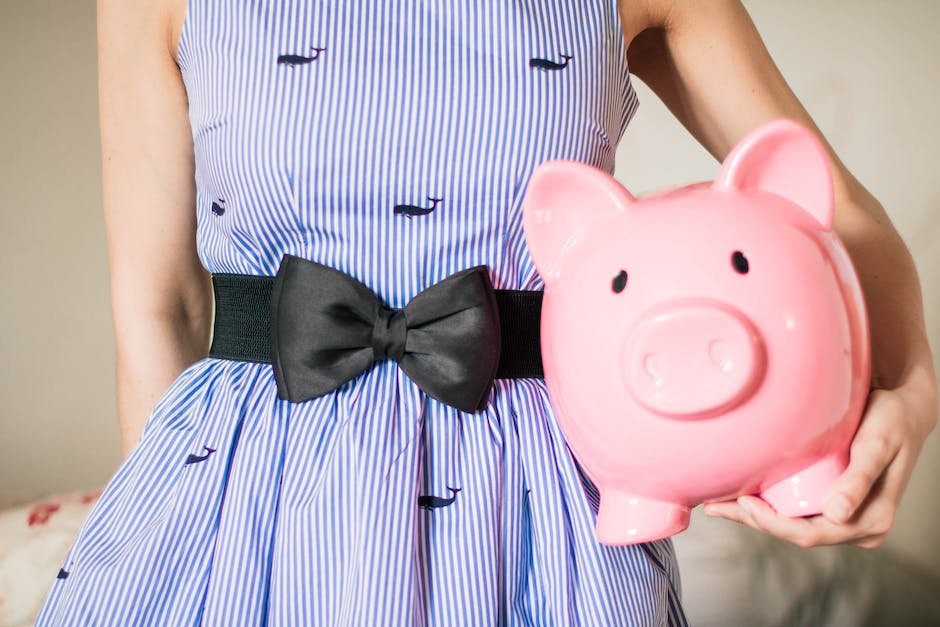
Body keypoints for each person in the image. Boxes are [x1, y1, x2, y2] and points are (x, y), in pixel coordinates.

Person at [35, 0, 938, 624]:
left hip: (533, 506)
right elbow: (161, 306)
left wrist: (911, 390)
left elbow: (839, 217)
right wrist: (177, 542)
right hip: (249, 500)